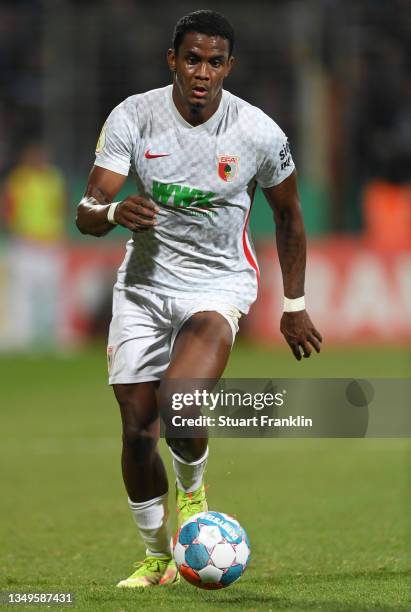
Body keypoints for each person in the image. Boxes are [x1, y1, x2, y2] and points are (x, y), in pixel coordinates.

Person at [76, 9, 322, 588]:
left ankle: (193, 494)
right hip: (143, 287)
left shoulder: (258, 132)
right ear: (173, 61)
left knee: (181, 405)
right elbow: (87, 210)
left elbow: (288, 214)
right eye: (192, 59)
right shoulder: (134, 117)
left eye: (214, 62)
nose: (202, 72)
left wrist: (294, 304)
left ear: (228, 67)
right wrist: (112, 213)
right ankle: (157, 558)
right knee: (138, 431)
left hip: (219, 285)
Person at [2, 142, 66, 348]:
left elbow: (62, 206)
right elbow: (8, 208)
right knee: (22, 293)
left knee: (53, 293)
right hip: (26, 243)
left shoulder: (54, 178)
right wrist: (15, 231)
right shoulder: (18, 179)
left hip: (49, 242)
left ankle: (56, 336)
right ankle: (22, 337)